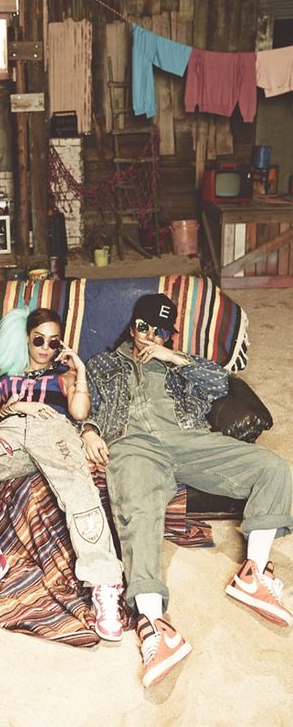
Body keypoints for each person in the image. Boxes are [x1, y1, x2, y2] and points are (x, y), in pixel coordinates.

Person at [82, 293, 293, 688]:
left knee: (273, 467)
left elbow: (221, 383)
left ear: (168, 336)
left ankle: (254, 573)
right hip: (133, 444)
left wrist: (173, 358)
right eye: (144, 327)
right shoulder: (102, 363)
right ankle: (154, 625)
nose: (150, 336)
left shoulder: (180, 364)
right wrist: (90, 430)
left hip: (187, 439)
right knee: (137, 508)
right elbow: (86, 404)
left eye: (160, 332)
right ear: (132, 327)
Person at [0, 306, 125, 641]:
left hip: (52, 431)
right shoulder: (5, 377)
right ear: (26, 338)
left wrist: (80, 371)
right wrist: (16, 407)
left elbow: (80, 412)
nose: (45, 347)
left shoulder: (64, 375)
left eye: (54, 342)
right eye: (39, 339)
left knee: (79, 490)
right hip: (8, 432)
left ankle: (104, 584)